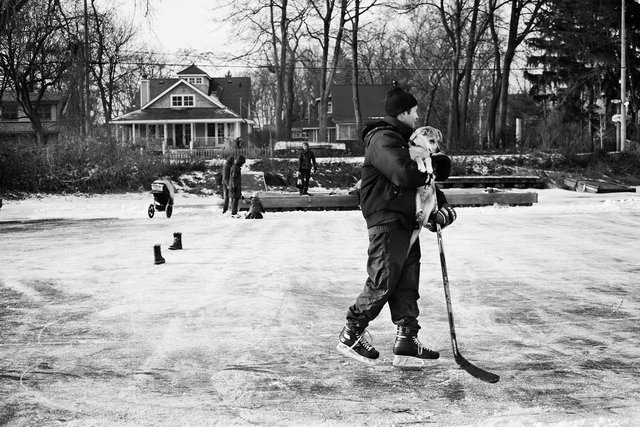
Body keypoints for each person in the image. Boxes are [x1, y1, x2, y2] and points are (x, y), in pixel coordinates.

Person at [336, 82, 456, 367]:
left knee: (406, 281)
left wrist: (441, 209)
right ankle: (351, 332)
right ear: (402, 113)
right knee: (385, 279)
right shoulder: (383, 139)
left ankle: (406, 338)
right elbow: (404, 174)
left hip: (406, 221)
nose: (417, 117)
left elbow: (424, 182)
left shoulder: (405, 143)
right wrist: (432, 167)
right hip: (387, 219)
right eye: (414, 112)